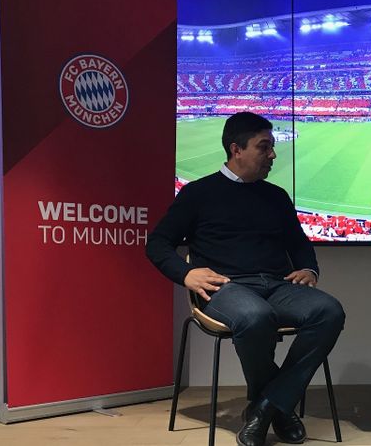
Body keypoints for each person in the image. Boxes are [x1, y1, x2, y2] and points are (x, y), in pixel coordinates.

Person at [146, 112, 345, 446]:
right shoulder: (198, 193)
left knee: (330, 311)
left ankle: (265, 407)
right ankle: (279, 408)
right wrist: (186, 273)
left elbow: (298, 243)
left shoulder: (276, 196)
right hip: (226, 287)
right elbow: (158, 244)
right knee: (255, 317)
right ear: (236, 149)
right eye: (264, 147)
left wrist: (309, 269)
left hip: (278, 285)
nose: (273, 155)